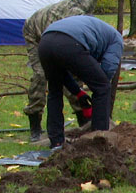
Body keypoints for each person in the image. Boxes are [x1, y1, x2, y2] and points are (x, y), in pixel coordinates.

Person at [22, 0, 128, 142]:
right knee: (41, 76)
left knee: (58, 85)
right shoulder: (102, 34)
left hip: (57, 40)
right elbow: (101, 76)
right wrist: (96, 84)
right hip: (36, 31)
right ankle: (35, 122)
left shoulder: (84, 4)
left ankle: (60, 137)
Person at [38, 15, 123, 149]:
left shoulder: (98, 31)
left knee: (55, 90)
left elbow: (63, 75)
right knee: (103, 87)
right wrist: (98, 99)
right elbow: (107, 71)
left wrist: (78, 93)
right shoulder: (116, 39)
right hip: (71, 43)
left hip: (45, 42)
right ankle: (99, 141)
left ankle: (57, 142)